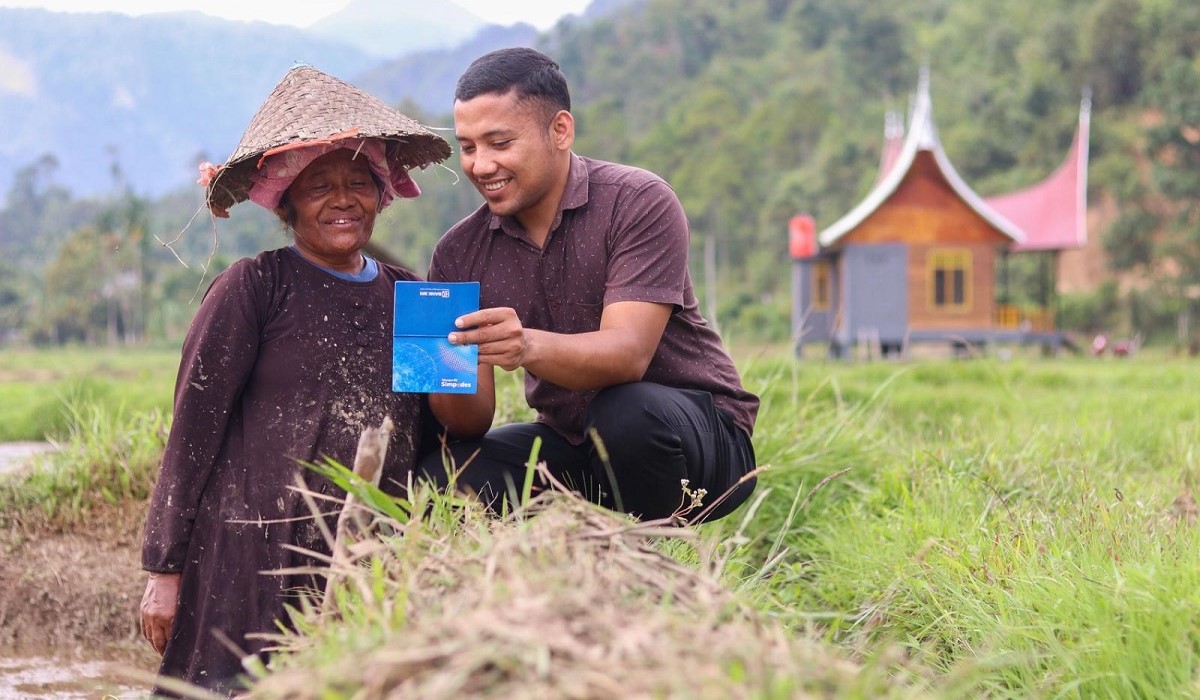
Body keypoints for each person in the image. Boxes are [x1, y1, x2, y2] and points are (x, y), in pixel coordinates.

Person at [139, 65, 450, 696]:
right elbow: (192, 434)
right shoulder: (253, 288)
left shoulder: (418, 301)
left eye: (358, 182)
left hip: (368, 556)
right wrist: (163, 570)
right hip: (247, 562)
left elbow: (440, 434)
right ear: (285, 202)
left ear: (382, 193)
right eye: (319, 186)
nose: (343, 199)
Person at [418, 48, 759, 523]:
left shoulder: (638, 202)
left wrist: (524, 346)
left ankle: (652, 561)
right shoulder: (458, 252)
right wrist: (442, 360)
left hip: (696, 442)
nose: (480, 165)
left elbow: (627, 355)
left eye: (499, 143)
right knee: (439, 479)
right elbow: (469, 421)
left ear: (560, 130)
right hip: (573, 444)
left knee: (625, 411)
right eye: (468, 147)